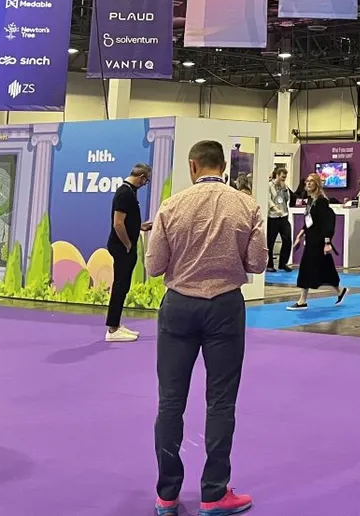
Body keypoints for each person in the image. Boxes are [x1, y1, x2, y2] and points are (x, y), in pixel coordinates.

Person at [146, 140, 266, 516]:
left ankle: (167, 495)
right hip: (226, 307)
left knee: (170, 402)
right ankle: (214, 494)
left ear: (193, 165)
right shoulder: (247, 205)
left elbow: (153, 266)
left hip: (179, 306)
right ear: (223, 166)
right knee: (221, 402)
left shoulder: (171, 206)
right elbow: (258, 262)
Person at [105, 163, 152, 343]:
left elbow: (126, 220)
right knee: (120, 286)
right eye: (146, 181)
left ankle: (116, 324)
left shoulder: (129, 192)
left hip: (124, 246)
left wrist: (139, 226)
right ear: (141, 177)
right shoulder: (125, 193)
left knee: (122, 287)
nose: (144, 184)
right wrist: (127, 244)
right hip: (122, 247)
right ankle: (112, 328)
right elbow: (118, 223)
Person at [288, 173, 347, 310]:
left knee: (306, 269)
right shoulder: (310, 200)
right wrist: (300, 235)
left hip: (318, 241)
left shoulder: (321, 201)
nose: (308, 183)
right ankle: (340, 290)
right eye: (307, 181)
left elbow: (326, 223)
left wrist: (327, 243)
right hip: (311, 239)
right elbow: (309, 222)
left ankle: (302, 301)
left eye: (311, 181)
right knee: (325, 268)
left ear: (317, 184)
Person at [267, 168, 293, 272]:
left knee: (287, 239)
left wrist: (285, 189)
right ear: (277, 175)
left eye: (285, 177)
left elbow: (287, 199)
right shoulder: (269, 186)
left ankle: (283, 263)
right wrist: (274, 208)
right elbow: (268, 199)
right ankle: (269, 265)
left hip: (283, 216)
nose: (283, 179)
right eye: (282, 177)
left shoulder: (284, 186)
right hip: (273, 217)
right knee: (270, 242)